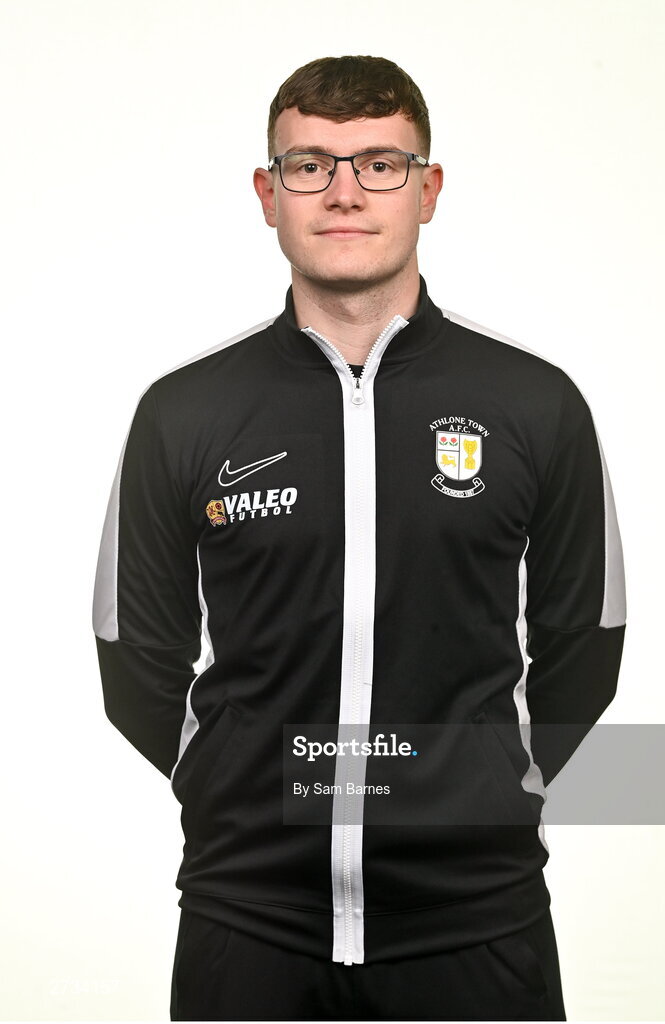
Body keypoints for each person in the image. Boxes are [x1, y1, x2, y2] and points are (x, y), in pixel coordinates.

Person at [92, 55, 626, 1021]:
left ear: (428, 190)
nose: (344, 192)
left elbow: (586, 643)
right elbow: (132, 653)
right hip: (247, 925)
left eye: (380, 164)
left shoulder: (533, 405)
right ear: (268, 193)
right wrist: (232, 782)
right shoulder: (183, 413)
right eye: (309, 165)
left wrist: (482, 788)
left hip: (478, 925)